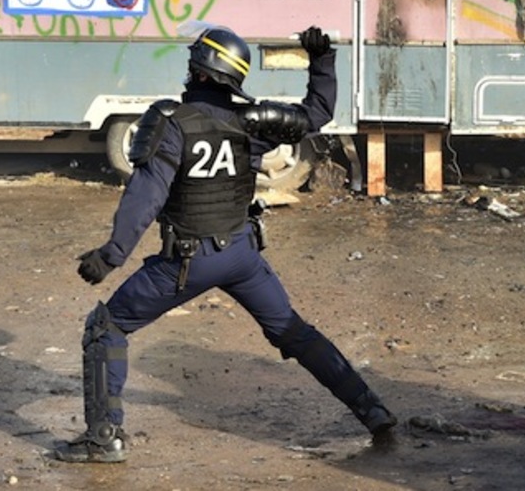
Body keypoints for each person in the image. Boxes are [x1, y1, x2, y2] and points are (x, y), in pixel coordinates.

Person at [55, 25, 397, 464]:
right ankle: (373, 410)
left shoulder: (171, 124)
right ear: (234, 77)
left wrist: (111, 256)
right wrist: (322, 61)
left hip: (186, 263)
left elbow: (145, 196)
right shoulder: (252, 124)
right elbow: (317, 113)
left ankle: (103, 440)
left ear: (197, 71)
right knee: (293, 332)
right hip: (241, 256)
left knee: (106, 327)